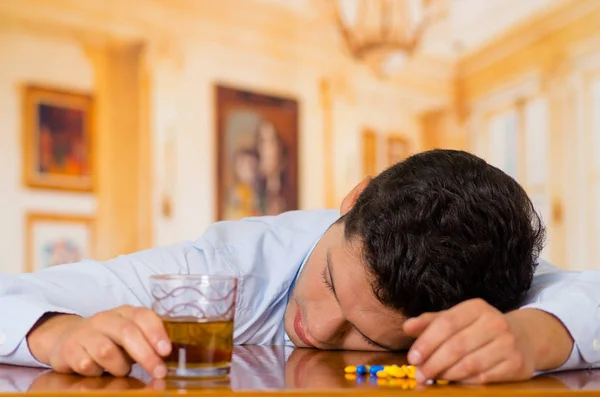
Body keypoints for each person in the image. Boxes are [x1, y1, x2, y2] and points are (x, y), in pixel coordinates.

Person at [1, 150, 598, 384]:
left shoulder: (475, 279)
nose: (319, 327)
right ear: (354, 199)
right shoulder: (221, 266)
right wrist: (58, 330)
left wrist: (535, 334)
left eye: (365, 336)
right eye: (331, 283)